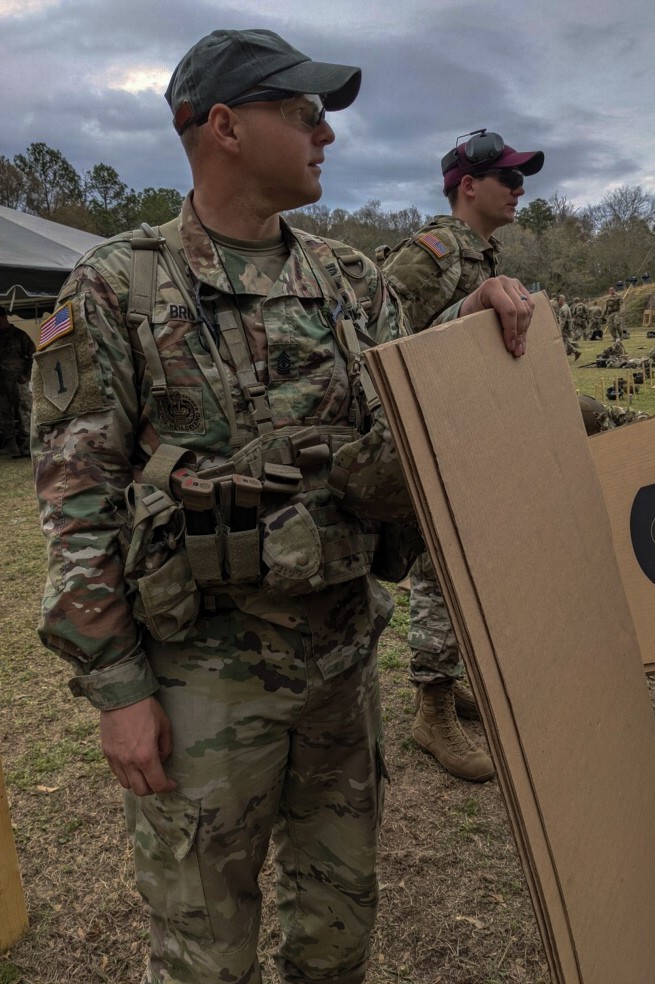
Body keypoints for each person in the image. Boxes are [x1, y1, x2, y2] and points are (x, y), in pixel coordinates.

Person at [30, 29, 533, 984]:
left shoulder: (349, 280)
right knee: (204, 953)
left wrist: (467, 342)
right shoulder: (117, 285)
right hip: (202, 678)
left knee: (338, 930)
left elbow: (398, 437)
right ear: (225, 127)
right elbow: (76, 502)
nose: (326, 135)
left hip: (342, 662)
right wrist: (119, 691)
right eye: (303, 114)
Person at [381, 129, 543, 782]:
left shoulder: (481, 256)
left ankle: (446, 679)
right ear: (468, 187)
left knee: (467, 564)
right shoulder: (431, 255)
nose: (520, 190)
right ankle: (432, 708)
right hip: (429, 436)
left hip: (468, 433)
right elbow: (381, 343)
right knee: (436, 569)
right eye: (509, 178)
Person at [0, 305, 34, 456]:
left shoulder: (19, 335)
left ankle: (27, 445)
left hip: (18, 381)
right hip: (1, 383)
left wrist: (26, 375)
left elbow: (33, 356)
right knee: (4, 412)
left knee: (24, 411)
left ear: (4, 317)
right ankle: (11, 444)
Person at [557, 294, 581, 359]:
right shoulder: (566, 306)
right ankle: (576, 352)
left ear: (561, 300)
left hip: (564, 328)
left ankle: (563, 358)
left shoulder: (563, 309)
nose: (557, 302)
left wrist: (559, 329)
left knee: (564, 342)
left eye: (558, 300)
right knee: (566, 341)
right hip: (567, 327)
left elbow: (563, 321)